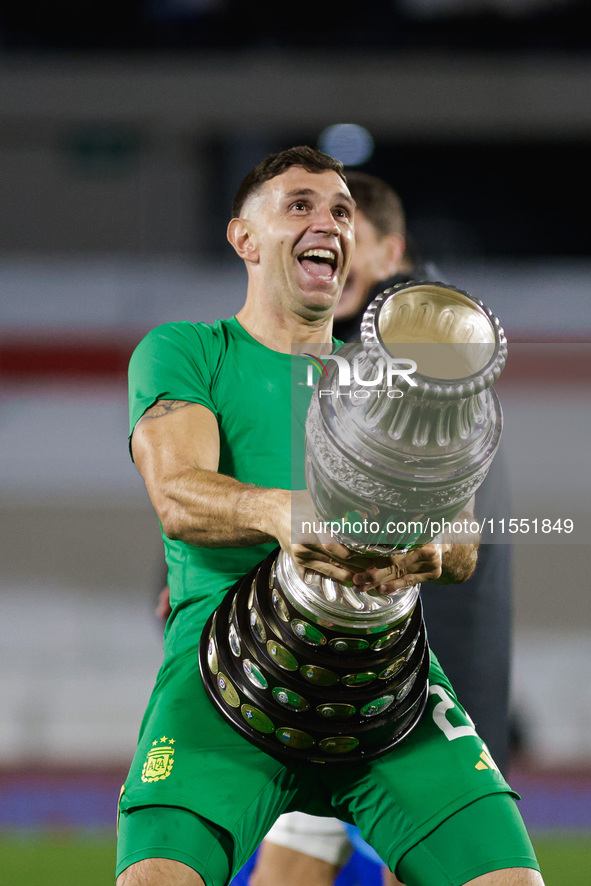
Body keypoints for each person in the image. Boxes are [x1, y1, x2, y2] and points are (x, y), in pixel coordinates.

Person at [116, 146, 542, 886]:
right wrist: (290, 516)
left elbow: (462, 534)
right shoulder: (189, 349)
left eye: (342, 210)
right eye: (301, 206)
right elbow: (178, 493)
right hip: (223, 681)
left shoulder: (386, 381)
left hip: (387, 685)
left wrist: (422, 554)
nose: (330, 223)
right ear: (244, 239)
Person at [250, 172, 513, 886]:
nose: (331, 255)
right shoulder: (377, 335)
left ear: (389, 247)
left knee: (392, 841)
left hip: (425, 633)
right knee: (318, 833)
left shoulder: (414, 328)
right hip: (366, 635)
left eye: (347, 238)